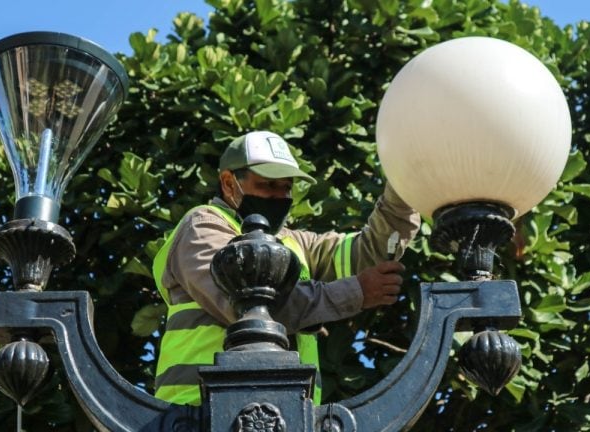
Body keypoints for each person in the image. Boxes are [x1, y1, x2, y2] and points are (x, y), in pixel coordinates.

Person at [152, 130, 420, 406]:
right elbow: (250, 305)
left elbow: (369, 251)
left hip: (284, 413)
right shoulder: (203, 227)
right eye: (268, 185)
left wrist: (403, 186)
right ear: (229, 183)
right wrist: (355, 292)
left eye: (286, 187)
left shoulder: (294, 243)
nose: (279, 196)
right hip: (198, 412)